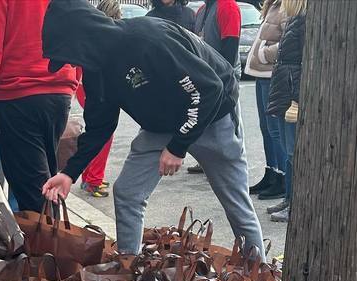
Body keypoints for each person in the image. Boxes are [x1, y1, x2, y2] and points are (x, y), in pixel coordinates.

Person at [42, 0, 265, 260]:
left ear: (82, 41)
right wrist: (69, 173)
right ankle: (128, 265)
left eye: (69, 56)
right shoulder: (96, 68)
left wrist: (177, 147)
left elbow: (208, 89)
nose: (70, 63)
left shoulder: (147, 39)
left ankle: (257, 273)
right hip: (161, 124)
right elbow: (100, 126)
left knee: (235, 203)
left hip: (211, 114)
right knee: (127, 191)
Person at [0, 0, 79, 212]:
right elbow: (79, 27)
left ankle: (46, 244)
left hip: (18, 93)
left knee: (35, 194)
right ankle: (51, 239)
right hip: (59, 90)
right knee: (46, 184)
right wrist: (72, 81)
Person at [187, 0, 241, 175]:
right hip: (207, 76)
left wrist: (224, 79)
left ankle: (230, 164)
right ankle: (207, 161)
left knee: (227, 126)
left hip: (223, 78)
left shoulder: (228, 6)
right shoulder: (202, 10)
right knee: (207, 123)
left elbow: (230, 47)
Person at [77, 0, 122, 198]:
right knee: (104, 135)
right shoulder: (108, 35)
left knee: (94, 132)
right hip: (98, 90)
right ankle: (93, 181)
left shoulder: (89, 32)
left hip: (85, 88)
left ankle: (88, 177)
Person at [244, 0, 288, 205]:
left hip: (272, 75)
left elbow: (289, 42)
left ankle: (281, 177)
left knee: (274, 130)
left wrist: (263, 54)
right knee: (266, 128)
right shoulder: (273, 6)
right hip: (262, 75)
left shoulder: (287, 7)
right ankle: (271, 172)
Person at [266, 0, 305, 223]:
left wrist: (297, 99)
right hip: (285, 88)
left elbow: (306, 62)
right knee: (287, 149)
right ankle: (289, 198)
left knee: (292, 153)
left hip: (290, 92)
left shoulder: (303, 20)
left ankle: (294, 203)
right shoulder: (295, 20)